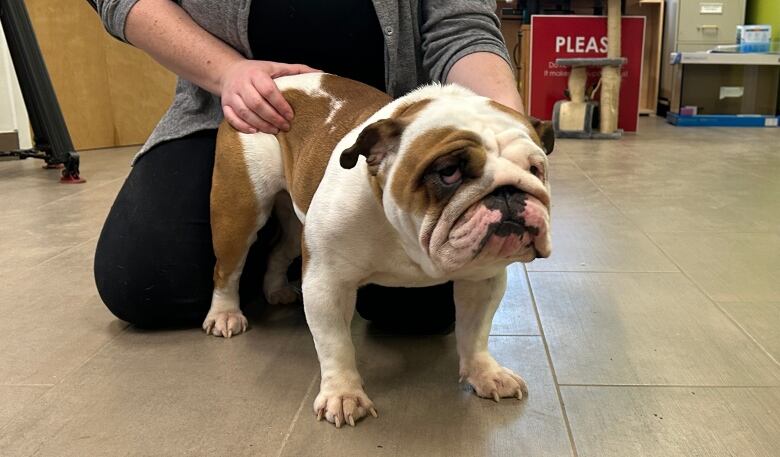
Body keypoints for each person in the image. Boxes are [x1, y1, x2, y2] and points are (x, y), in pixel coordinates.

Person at [92, 0, 525, 333]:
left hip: (397, 127)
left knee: (418, 315)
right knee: (144, 285)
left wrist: (505, 138)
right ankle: (263, 244)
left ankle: (290, 242)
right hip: (240, 110)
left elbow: (462, 20)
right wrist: (227, 74)